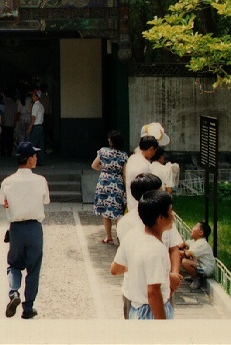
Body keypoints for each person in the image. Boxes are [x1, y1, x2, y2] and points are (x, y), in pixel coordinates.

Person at [115, 172, 184, 318]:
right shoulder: (129, 225)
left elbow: (174, 247)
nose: (163, 193)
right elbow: (152, 291)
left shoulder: (158, 224)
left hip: (161, 288)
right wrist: (166, 276)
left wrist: (173, 276)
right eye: (159, 191)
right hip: (138, 293)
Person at [0, 142, 50, 319]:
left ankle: (14, 293)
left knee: (14, 265)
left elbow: (2, 202)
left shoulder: (8, 181)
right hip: (34, 228)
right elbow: (46, 200)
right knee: (33, 268)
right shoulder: (40, 180)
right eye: (34, 156)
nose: (36, 158)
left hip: (16, 229)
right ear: (29, 160)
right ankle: (28, 308)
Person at [91, 130, 128, 244]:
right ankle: (120, 236)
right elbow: (125, 174)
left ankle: (108, 236)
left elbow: (94, 165)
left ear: (111, 141)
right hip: (117, 183)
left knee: (105, 212)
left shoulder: (103, 151)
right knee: (118, 213)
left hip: (104, 183)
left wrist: (105, 170)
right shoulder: (124, 155)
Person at [124, 135, 158, 213]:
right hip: (143, 208)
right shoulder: (145, 165)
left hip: (131, 203)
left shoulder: (132, 159)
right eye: (154, 151)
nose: (154, 154)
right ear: (151, 149)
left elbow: (125, 176)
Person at [180, 221, 216, 290]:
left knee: (185, 262)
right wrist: (180, 246)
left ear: (201, 233)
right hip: (199, 265)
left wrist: (176, 251)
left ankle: (196, 280)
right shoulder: (195, 241)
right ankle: (194, 275)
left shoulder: (202, 244)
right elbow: (185, 243)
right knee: (182, 257)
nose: (192, 228)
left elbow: (187, 254)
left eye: (195, 227)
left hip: (205, 269)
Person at [26, 89, 45, 165]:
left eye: (34, 95)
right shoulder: (41, 106)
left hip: (36, 126)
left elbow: (33, 118)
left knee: (32, 144)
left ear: (37, 97)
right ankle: (40, 161)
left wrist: (30, 127)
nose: (32, 97)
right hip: (40, 127)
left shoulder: (35, 106)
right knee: (40, 145)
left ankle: (30, 161)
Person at [0, 90, 18, 156]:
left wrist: (2, 119)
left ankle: (3, 152)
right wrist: (15, 121)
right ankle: (9, 151)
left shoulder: (3, 102)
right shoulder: (14, 103)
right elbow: (16, 114)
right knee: (10, 138)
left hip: (5, 123)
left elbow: (1, 113)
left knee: (3, 138)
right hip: (11, 123)